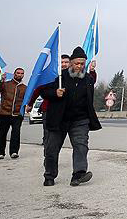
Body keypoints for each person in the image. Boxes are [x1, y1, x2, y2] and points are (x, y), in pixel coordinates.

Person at [41, 47, 101, 186]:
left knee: (81, 146)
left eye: (82, 64)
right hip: (59, 119)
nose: (79, 66)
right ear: (71, 63)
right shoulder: (59, 77)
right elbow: (44, 91)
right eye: (77, 63)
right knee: (52, 149)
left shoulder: (87, 79)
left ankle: (78, 174)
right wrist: (55, 93)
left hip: (80, 120)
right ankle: (49, 175)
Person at [0, 67, 27, 159]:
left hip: (17, 114)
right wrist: (1, 81)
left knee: (16, 133)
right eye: (18, 73)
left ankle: (14, 152)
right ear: (14, 74)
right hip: (4, 113)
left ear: (23, 75)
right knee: (2, 133)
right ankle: (0, 152)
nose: (19, 75)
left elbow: (28, 99)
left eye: (21, 73)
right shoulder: (5, 84)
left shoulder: (25, 88)